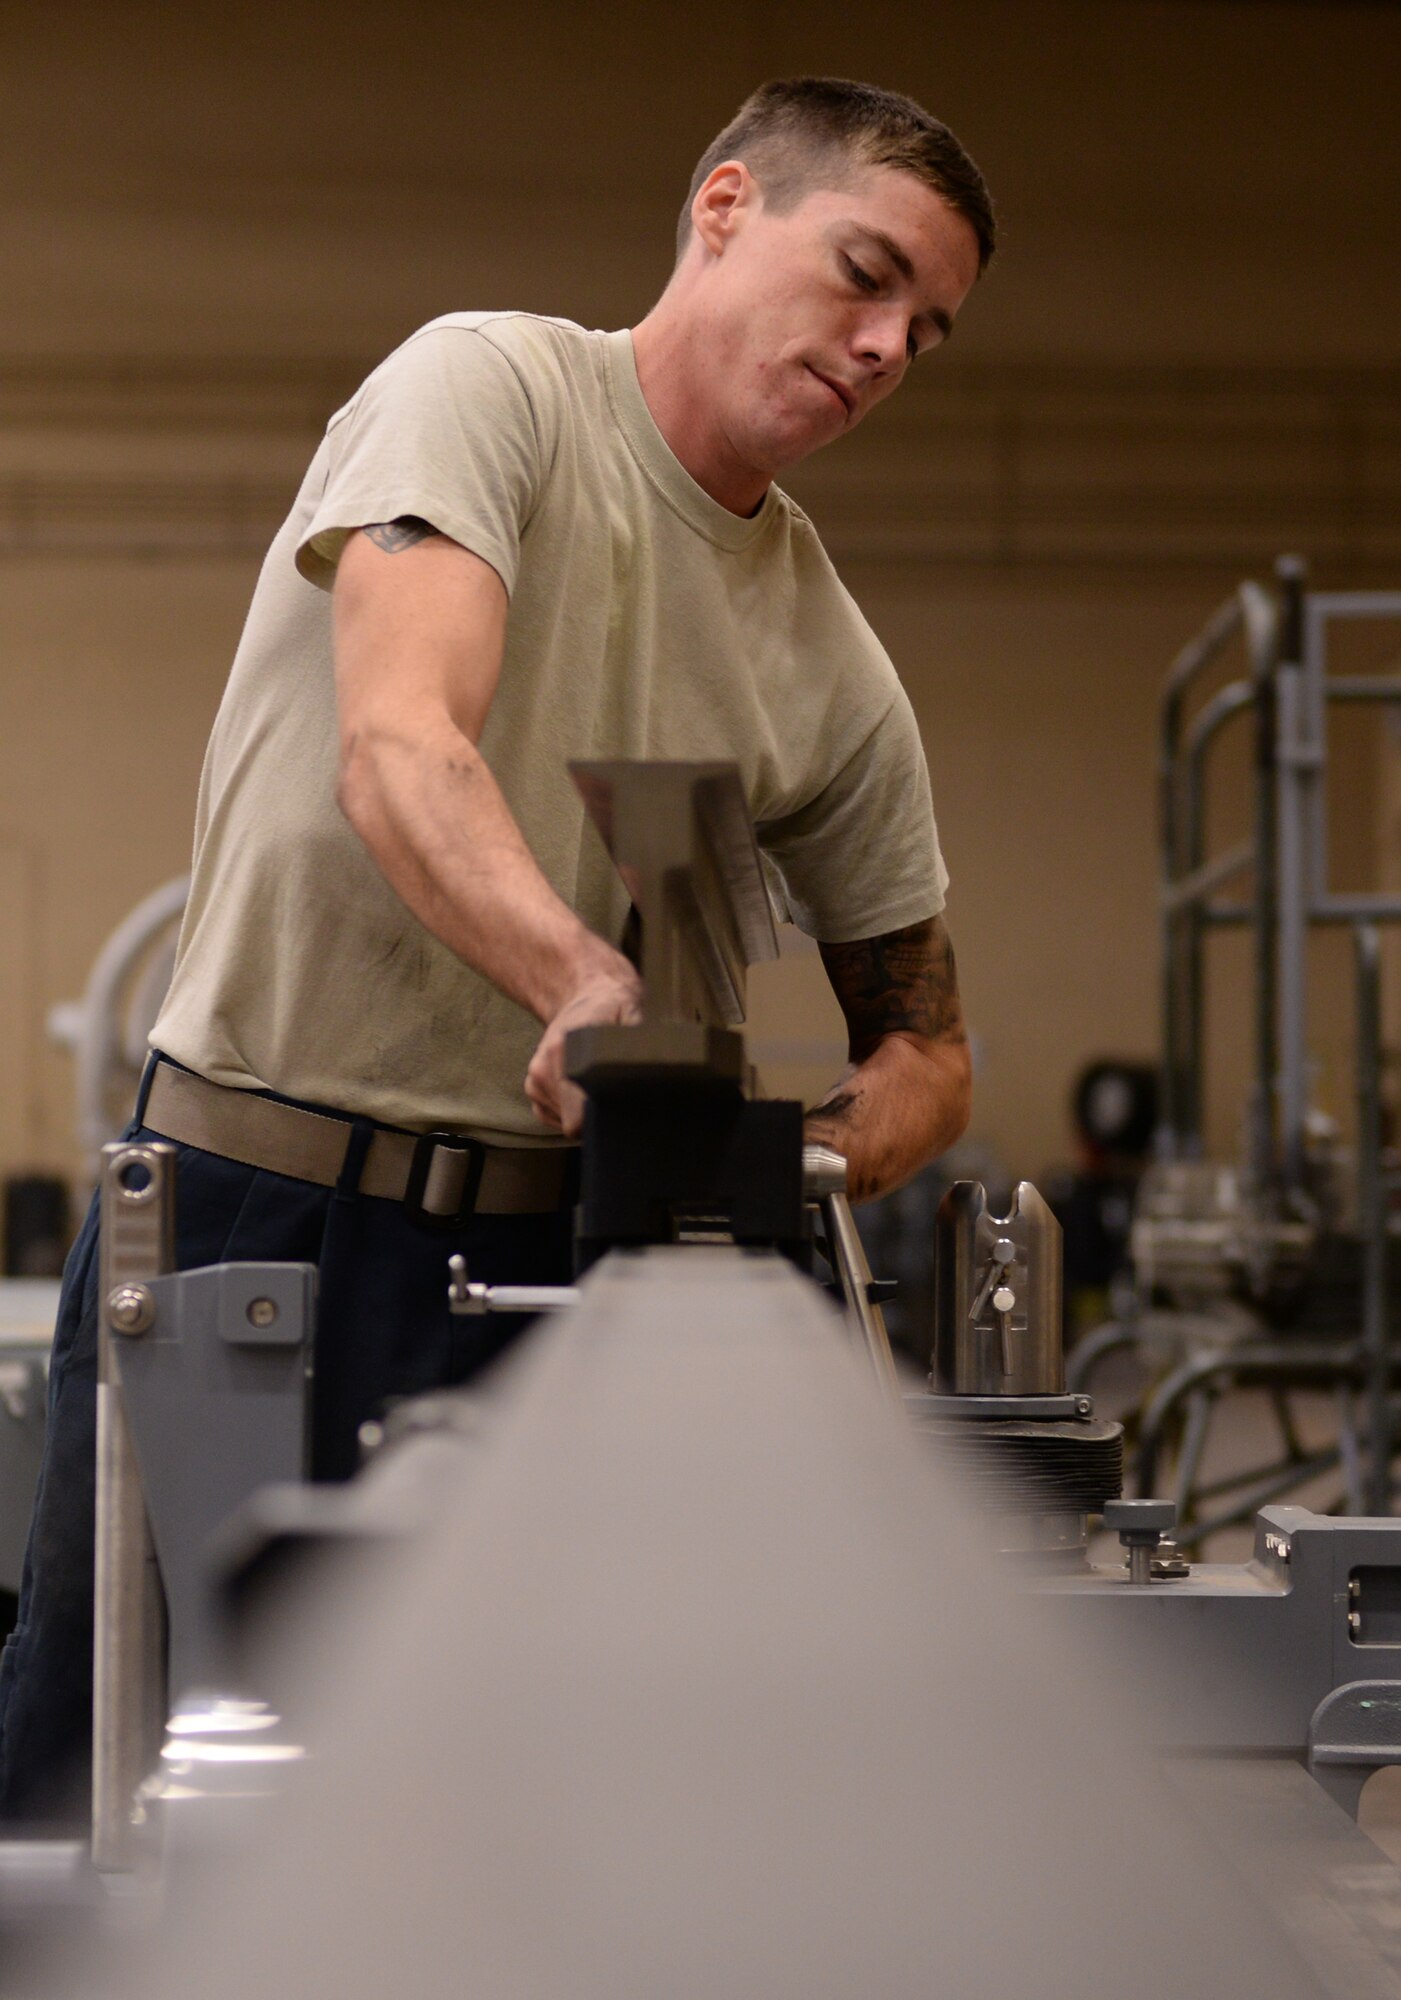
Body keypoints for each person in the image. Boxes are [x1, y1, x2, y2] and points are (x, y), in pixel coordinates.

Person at [0, 75, 993, 1820]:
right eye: (862, 272)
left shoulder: (828, 663)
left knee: (500, 1823)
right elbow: (395, 744)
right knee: (96, 1786)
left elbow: (931, 1052)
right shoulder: (490, 394)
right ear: (722, 208)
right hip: (260, 1222)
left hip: (567, 1281)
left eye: (926, 328)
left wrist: (792, 1160)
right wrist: (579, 980)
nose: (885, 345)